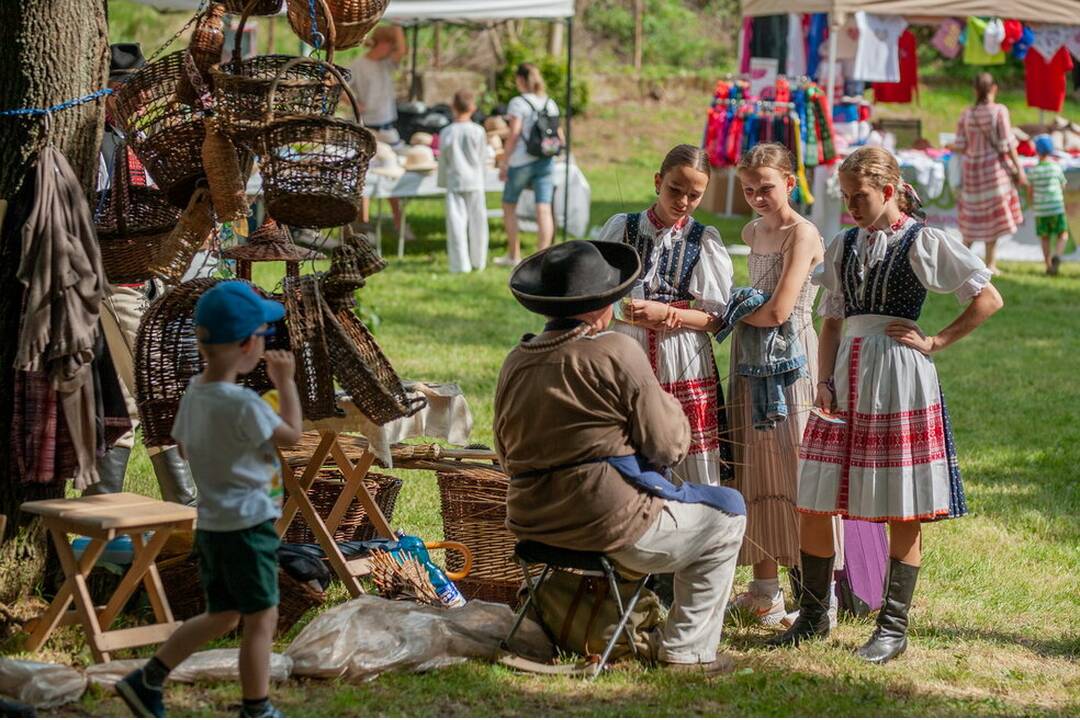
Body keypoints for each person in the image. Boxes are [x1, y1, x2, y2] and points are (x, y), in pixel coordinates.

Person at [771, 147, 1003, 664]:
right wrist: (824, 379)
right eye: (845, 197)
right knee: (815, 495)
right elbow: (832, 321)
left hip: (898, 377)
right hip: (844, 375)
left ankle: (892, 629)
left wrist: (937, 341)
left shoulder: (922, 241)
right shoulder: (844, 243)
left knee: (901, 503)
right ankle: (814, 616)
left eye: (860, 197)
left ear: (889, 191)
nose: (851, 206)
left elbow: (988, 298)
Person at [494, 240, 746, 674]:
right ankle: (687, 652)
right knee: (728, 516)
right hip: (608, 526)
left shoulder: (516, 360)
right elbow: (667, 446)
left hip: (532, 524)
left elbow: (504, 453)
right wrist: (671, 414)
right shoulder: (616, 351)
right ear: (602, 307)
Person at [115, 282, 303, 718]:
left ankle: (148, 679)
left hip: (214, 526)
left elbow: (182, 448)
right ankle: (257, 707)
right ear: (247, 345)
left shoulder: (194, 395)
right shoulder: (244, 404)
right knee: (262, 617)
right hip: (248, 528)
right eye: (263, 335)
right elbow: (292, 434)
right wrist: (285, 383)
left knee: (223, 614)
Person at [87, 42, 198, 506]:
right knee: (155, 388)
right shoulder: (98, 143)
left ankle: (99, 506)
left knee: (127, 400)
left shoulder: (137, 139)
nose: (144, 100)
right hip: (114, 282)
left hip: (146, 280)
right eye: (133, 91)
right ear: (112, 92)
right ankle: (184, 504)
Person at [726, 143, 832, 626]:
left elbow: (778, 311)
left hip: (792, 362)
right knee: (756, 469)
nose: (757, 197)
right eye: (748, 189)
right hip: (751, 358)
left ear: (790, 182)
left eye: (766, 187)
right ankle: (765, 591)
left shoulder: (802, 233)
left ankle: (817, 595)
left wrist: (723, 312)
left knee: (798, 473)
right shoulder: (752, 230)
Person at [596, 144, 735, 488]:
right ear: (658, 181)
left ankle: (692, 513)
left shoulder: (703, 240)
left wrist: (669, 313)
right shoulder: (623, 228)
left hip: (681, 355)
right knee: (625, 439)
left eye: (694, 195)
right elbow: (598, 295)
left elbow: (716, 319)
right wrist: (623, 310)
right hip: (628, 349)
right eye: (675, 189)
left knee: (685, 447)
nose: (683, 201)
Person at [954, 72, 1027, 273]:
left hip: (972, 171)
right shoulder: (999, 111)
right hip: (994, 171)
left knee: (972, 216)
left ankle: (959, 261)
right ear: (994, 88)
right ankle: (990, 263)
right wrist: (1019, 169)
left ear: (975, 90)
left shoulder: (967, 114)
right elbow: (1008, 144)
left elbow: (960, 145)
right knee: (992, 218)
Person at [495, 63, 563, 267]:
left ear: (520, 80)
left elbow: (514, 133)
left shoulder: (518, 103)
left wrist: (504, 161)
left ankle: (513, 255)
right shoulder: (550, 102)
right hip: (546, 160)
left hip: (522, 161)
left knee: (509, 205)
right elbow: (560, 135)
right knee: (543, 208)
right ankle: (542, 258)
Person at [348, 24, 410, 240]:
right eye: (390, 45)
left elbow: (402, 50)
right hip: (367, 128)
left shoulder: (387, 63)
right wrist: (353, 102)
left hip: (388, 129)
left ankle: (399, 222)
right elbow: (338, 86)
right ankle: (363, 224)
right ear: (382, 43)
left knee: (393, 173)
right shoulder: (359, 65)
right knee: (364, 176)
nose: (393, 50)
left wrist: (398, 26)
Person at [437, 89, 489, 273]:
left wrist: (442, 181)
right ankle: (479, 261)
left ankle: (460, 264)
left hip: (455, 179)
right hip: (475, 179)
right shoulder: (478, 131)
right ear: (473, 107)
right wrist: (482, 176)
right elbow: (483, 157)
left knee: (456, 224)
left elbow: (443, 160)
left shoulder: (447, 132)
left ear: (453, 106)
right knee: (478, 222)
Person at [1027, 134, 1069, 275]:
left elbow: (1030, 191)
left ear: (1036, 151)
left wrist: (1032, 205)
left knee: (1045, 238)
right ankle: (1057, 255)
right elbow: (1063, 186)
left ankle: (1048, 264)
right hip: (1056, 208)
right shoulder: (1056, 167)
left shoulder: (1033, 170)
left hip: (1041, 210)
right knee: (1062, 234)